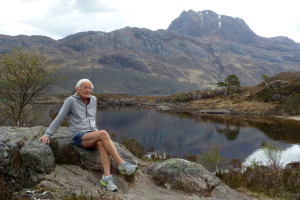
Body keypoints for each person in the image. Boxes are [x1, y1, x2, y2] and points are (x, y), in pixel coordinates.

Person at [39, 79, 138, 192]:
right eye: (85, 87)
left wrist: (94, 132)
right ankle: (121, 164)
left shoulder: (93, 100)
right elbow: (59, 118)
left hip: (92, 134)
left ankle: (107, 177)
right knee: (104, 133)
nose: (88, 90)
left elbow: (92, 118)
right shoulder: (70, 101)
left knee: (101, 143)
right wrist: (47, 135)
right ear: (77, 89)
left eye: (90, 88)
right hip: (79, 136)